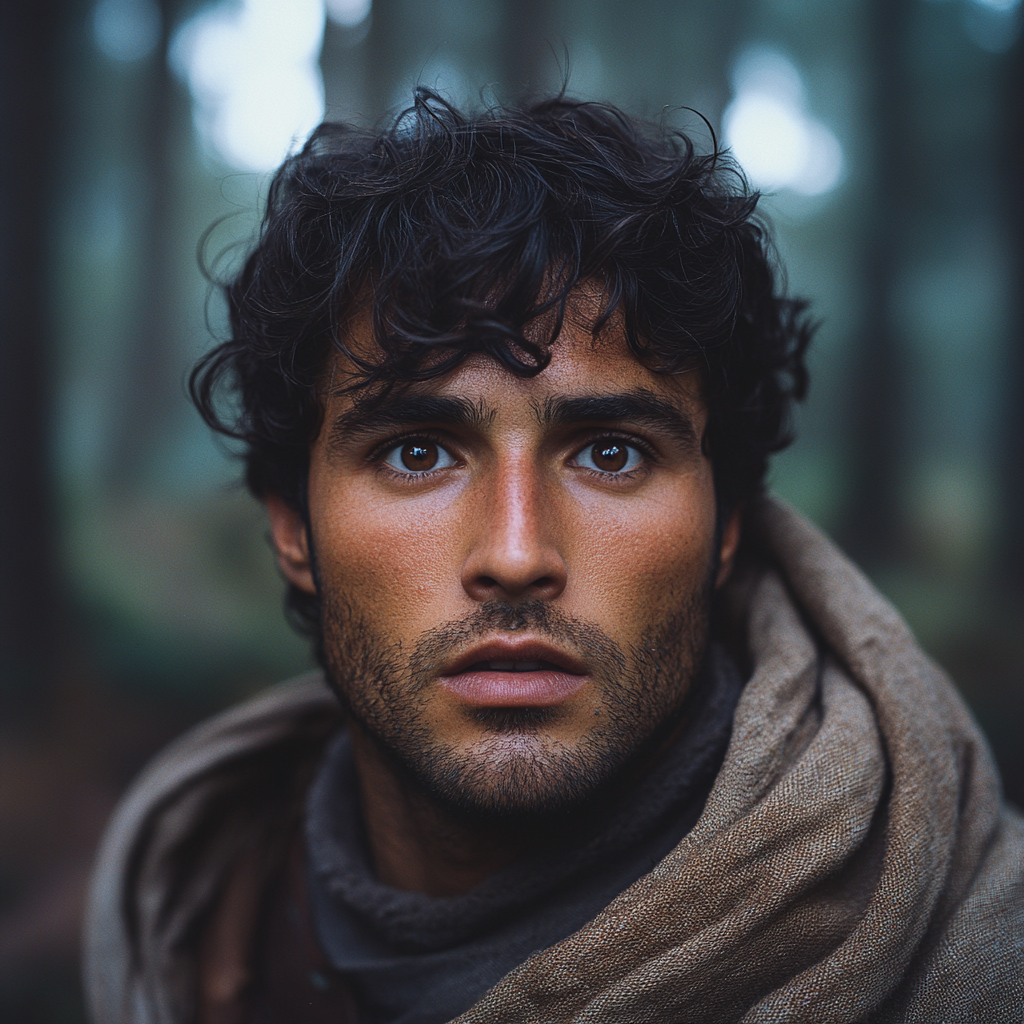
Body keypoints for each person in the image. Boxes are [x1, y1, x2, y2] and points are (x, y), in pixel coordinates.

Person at [83, 91, 1023, 1024]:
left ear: (728, 523)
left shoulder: (985, 957)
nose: (517, 553)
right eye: (418, 452)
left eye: (611, 452)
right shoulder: (187, 923)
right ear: (294, 528)